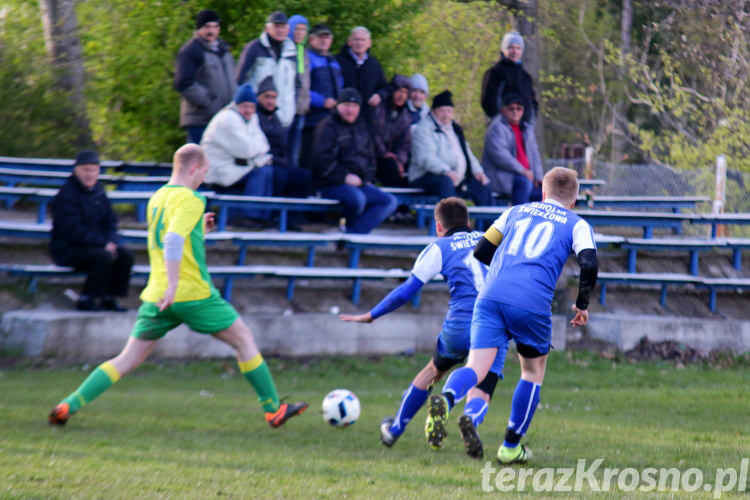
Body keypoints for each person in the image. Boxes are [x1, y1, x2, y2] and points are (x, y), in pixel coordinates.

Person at [48, 144, 308, 428]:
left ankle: (68, 405)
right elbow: (172, 240)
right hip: (190, 293)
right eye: (204, 172)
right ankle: (273, 409)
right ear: (194, 168)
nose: (204, 179)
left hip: (156, 295)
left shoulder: (158, 197)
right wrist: (174, 285)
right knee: (243, 339)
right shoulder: (192, 199)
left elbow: (172, 239)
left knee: (127, 359)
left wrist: (199, 231)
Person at [424, 167, 598, 464]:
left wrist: (505, 273)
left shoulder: (516, 210)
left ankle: (448, 399)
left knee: (477, 367)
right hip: (531, 302)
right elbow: (589, 262)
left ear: (542, 192)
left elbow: (481, 250)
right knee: (532, 371)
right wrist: (582, 303)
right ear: (574, 201)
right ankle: (510, 447)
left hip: (491, 295)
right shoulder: (577, 223)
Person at [341, 197, 497, 459]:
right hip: (492, 322)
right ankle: (468, 418)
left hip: (458, 324)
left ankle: (395, 430)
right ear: (469, 222)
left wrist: (372, 315)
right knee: (485, 378)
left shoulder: (439, 247)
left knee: (433, 370)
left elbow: (406, 291)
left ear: (439, 226)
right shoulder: (489, 239)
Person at [50, 151, 134, 312]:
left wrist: (111, 242)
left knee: (125, 255)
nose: (90, 174)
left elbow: (111, 221)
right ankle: (87, 299)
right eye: (86, 170)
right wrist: (103, 244)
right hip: (68, 249)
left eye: (93, 170)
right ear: (76, 171)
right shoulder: (66, 195)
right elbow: (72, 230)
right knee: (104, 257)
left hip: (96, 245)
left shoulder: (99, 192)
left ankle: (109, 298)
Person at [312, 88, 397, 234]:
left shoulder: (362, 128)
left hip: (360, 183)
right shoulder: (326, 127)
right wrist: (344, 177)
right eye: (346, 105)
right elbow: (321, 161)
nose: (350, 110)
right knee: (357, 200)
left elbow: (370, 158)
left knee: (389, 201)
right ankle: (348, 236)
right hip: (330, 183)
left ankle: (352, 235)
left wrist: (367, 179)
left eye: (354, 106)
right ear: (338, 106)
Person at [202, 83, 273, 222]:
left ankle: (262, 216)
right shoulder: (227, 118)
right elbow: (245, 150)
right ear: (236, 105)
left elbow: (265, 145)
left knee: (267, 170)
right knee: (261, 172)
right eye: (244, 106)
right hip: (218, 168)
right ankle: (247, 216)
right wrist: (256, 150)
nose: (248, 110)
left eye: (251, 107)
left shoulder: (252, 118)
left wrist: (256, 150)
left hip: (237, 166)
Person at [410, 91, 494, 206]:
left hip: (455, 177)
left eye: (449, 111)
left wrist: (478, 171)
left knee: (481, 184)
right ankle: (452, 222)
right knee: (445, 183)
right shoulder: (423, 129)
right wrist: (446, 171)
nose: (446, 115)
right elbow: (425, 158)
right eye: (441, 111)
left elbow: (467, 154)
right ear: (433, 111)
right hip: (425, 176)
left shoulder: (455, 129)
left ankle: (490, 223)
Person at [174, 9, 236, 144]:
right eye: (207, 26)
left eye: (215, 26)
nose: (211, 31)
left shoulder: (224, 50)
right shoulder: (191, 50)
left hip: (225, 118)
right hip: (201, 120)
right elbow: (183, 83)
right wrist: (208, 101)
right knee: (197, 160)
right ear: (199, 28)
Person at [235, 11, 297, 128]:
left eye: (283, 27)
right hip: (257, 115)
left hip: (285, 116)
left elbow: (296, 84)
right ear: (267, 28)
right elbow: (239, 79)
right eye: (276, 26)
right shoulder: (254, 48)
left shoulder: (292, 52)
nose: (280, 30)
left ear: (288, 29)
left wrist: (293, 107)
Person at [255, 76, 312, 199]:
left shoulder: (276, 118)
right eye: (267, 96)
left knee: (305, 176)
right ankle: (274, 215)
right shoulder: (254, 117)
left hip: (281, 163)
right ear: (258, 97)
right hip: (265, 163)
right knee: (280, 175)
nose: (271, 101)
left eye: (274, 97)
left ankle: (292, 216)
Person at [482, 94, 543, 206]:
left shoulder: (526, 128)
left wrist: (538, 177)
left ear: (523, 110)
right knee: (523, 183)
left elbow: (535, 154)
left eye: (518, 108)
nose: (515, 112)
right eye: (511, 108)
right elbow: (500, 156)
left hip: (526, 176)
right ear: (503, 110)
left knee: (545, 192)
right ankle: (518, 220)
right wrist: (523, 171)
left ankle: (537, 223)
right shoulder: (496, 128)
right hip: (502, 176)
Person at [300, 23, 343, 169]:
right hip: (312, 119)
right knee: (309, 160)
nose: (324, 41)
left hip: (331, 119)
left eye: (327, 37)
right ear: (311, 40)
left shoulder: (334, 62)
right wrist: (322, 101)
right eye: (320, 37)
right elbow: (300, 88)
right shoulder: (306, 58)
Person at [336, 26, 388, 132]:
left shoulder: (374, 64)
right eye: (356, 39)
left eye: (362, 40)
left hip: (367, 117)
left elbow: (384, 87)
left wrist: (379, 95)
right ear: (349, 42)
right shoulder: (337, 61)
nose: (359, 43)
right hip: (343, 117)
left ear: (369, 43)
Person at [480, 31, 538, 124]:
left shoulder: (526, 77)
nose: (515, 51)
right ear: (503, 49)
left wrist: (530, 122)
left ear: (521, 51)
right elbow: (487, 101)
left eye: (518, 48)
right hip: (502, 127)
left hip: (524, 127)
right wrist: (499, 121)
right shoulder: (494, 73)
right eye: (510, 47)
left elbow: (532, 103)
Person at [373, 75, 413, 187]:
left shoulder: (405, 117)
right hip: (375, 155)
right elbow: (374, 135)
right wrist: (385, 153)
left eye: (405, 93)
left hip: (394, 160)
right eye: (399, 91)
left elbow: (405, 143)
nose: (402, 96)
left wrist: (399, 160)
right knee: (390, 166)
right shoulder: (378, 110)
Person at [287, 15, 310, 169]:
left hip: (301, 110)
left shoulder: (304, 52)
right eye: (297, 29)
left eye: (303, 29)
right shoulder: (285, 49)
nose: (300, 32)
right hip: (285, 110)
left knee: (295, 152)